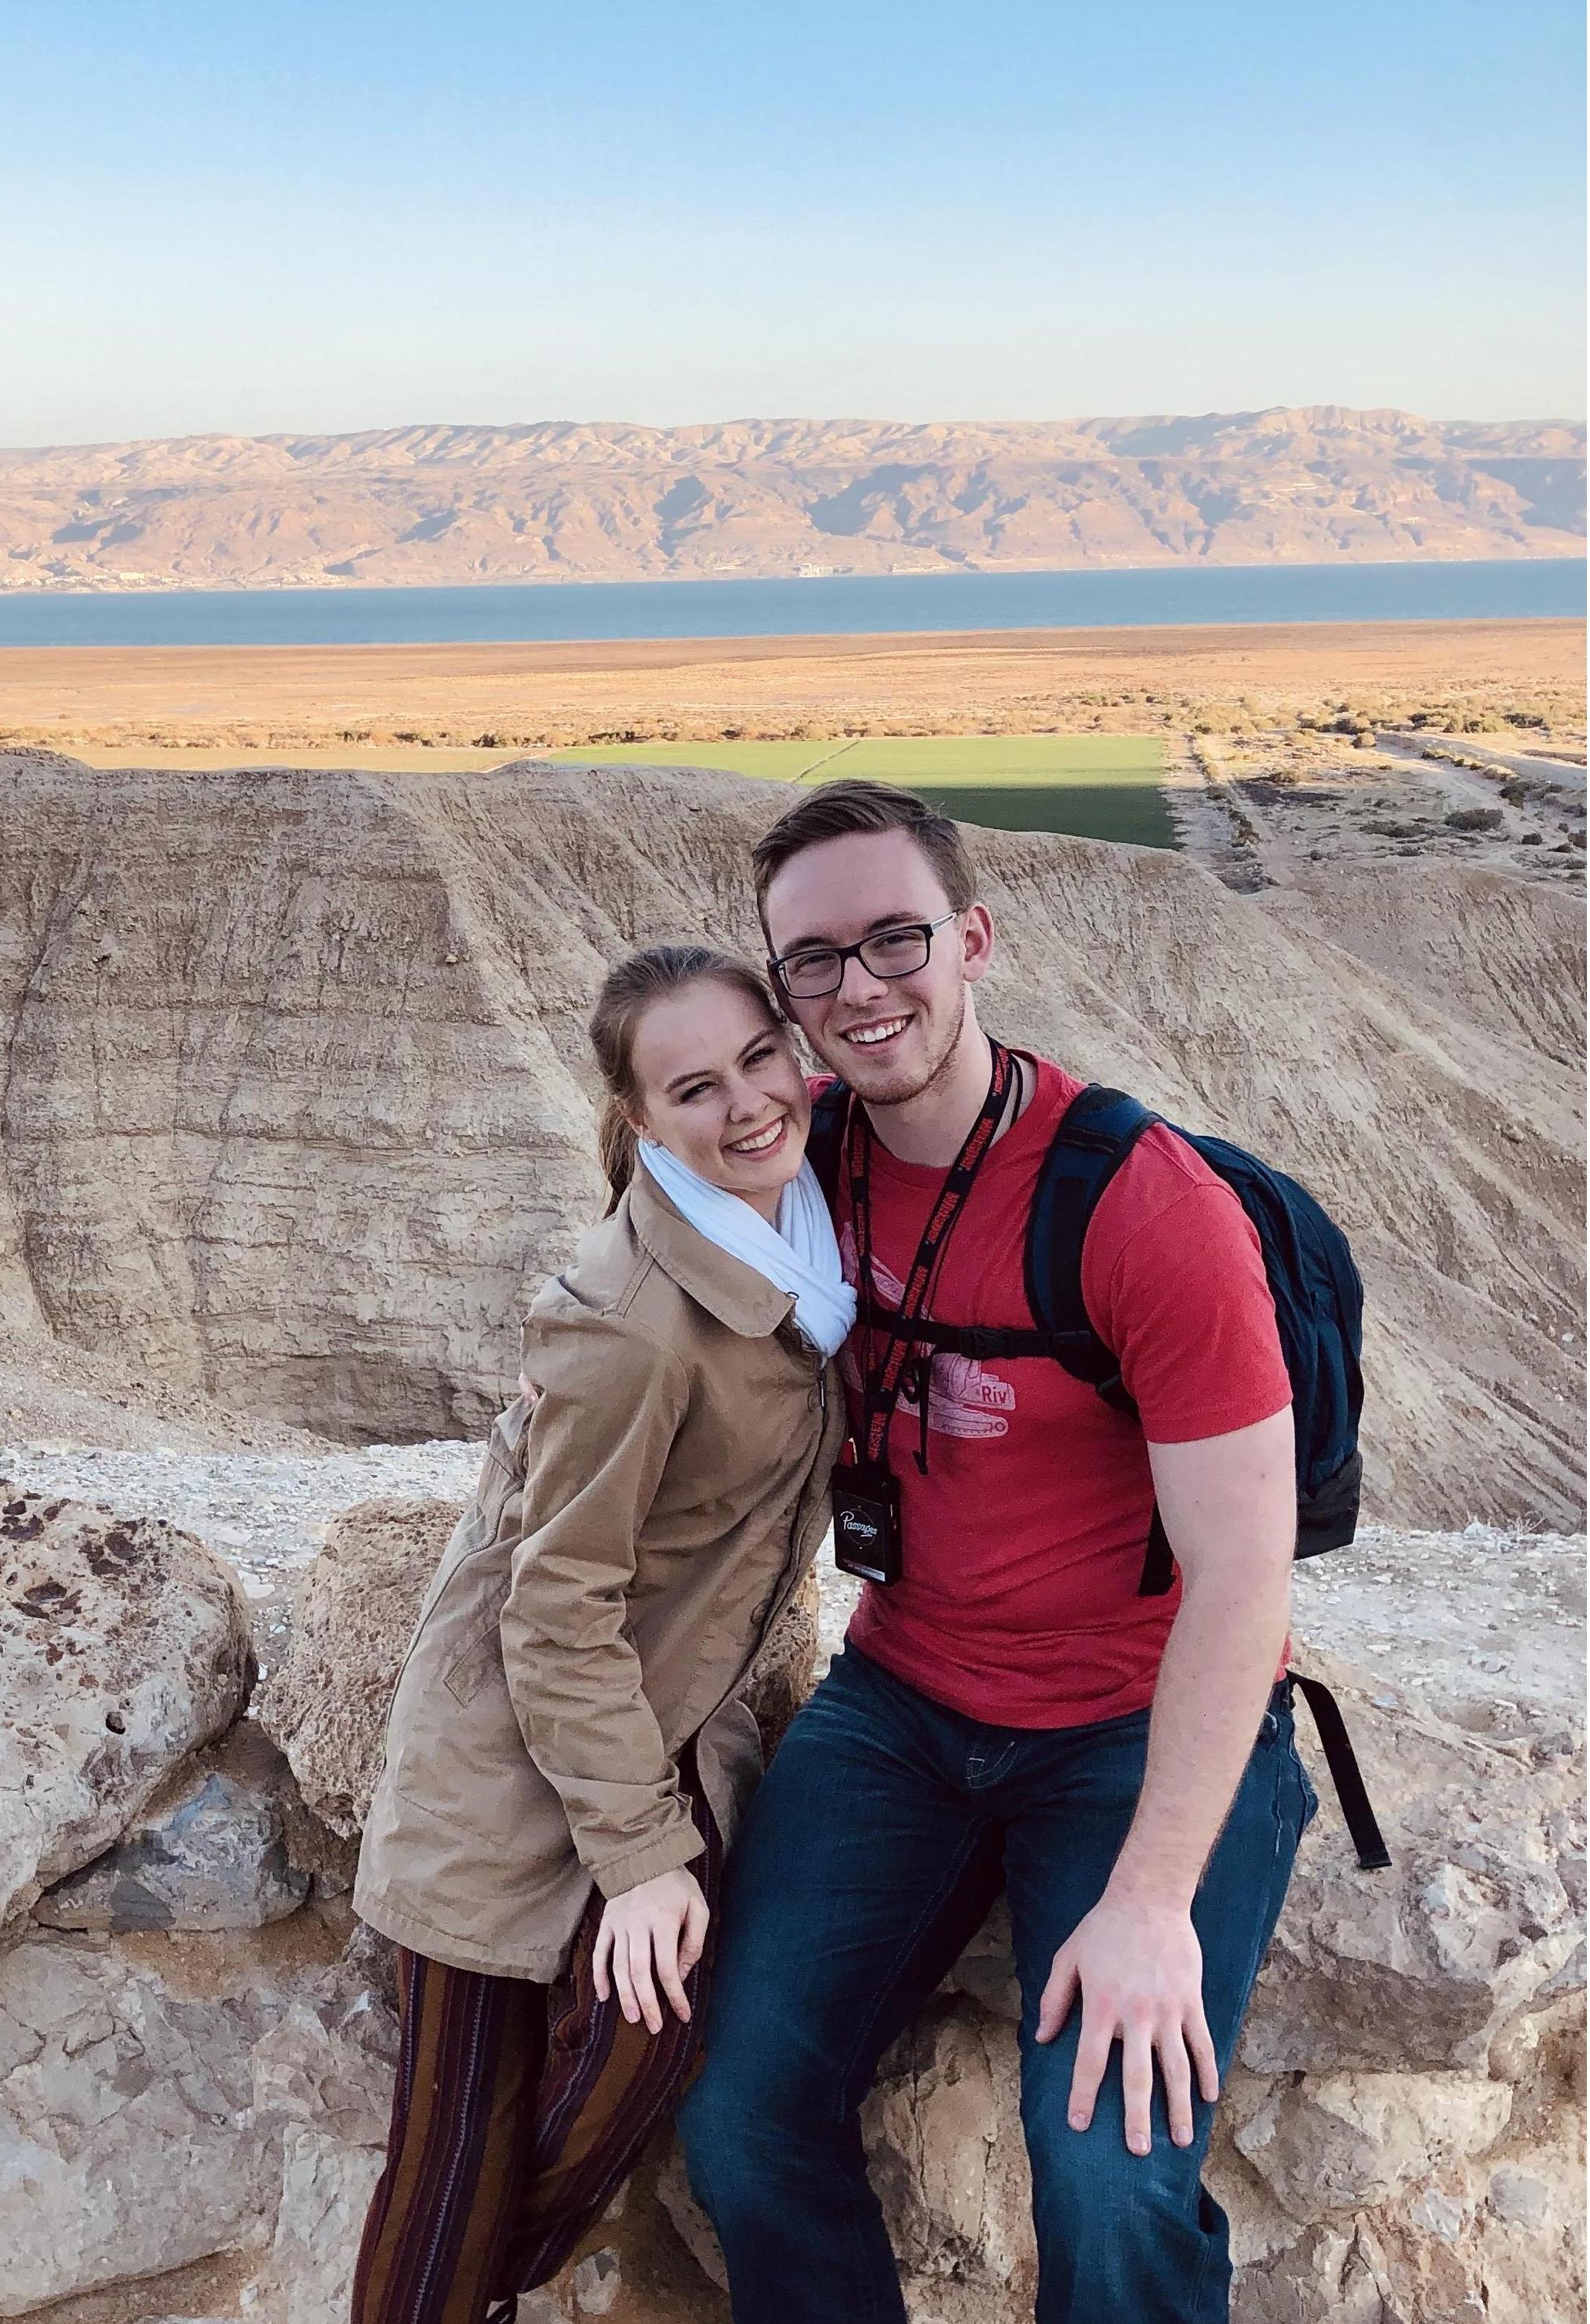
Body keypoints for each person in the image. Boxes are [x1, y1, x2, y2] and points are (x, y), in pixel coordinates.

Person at [677, 779, 1312, 2324]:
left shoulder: (1137, 1205)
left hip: (1128, 1723)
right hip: (901, 1702)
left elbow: (1245, 1569)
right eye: (809, 962)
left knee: (1104, 2168)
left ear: (970, 938)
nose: (856, 987)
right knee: (735, 2115)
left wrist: (1152, 1894)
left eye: (893, 936)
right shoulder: (800, 1158)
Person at [348, 943, 852, 2324]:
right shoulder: (632, 1322)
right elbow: (556, 1604)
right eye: (695, 1088)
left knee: (646, 2045)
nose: (749, 1104)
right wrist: (638, 1864)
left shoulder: (807, 1221)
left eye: (762, 1058)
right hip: (510, 1736)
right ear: (639, 1120)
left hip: (671, 1704)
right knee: (454, 2143)